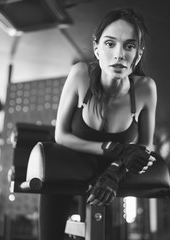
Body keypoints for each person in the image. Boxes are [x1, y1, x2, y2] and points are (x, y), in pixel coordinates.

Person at [38, 8, 158, 240]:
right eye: (110, 44)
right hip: (66, 167)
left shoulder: (145, 89)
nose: (119, 54)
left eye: (129, 46)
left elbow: (146, 145)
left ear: (139, 54)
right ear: (97, 48)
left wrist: (115, 170)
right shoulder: (80, 75)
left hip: (111, 178)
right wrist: (107, 148)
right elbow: (61, 135)